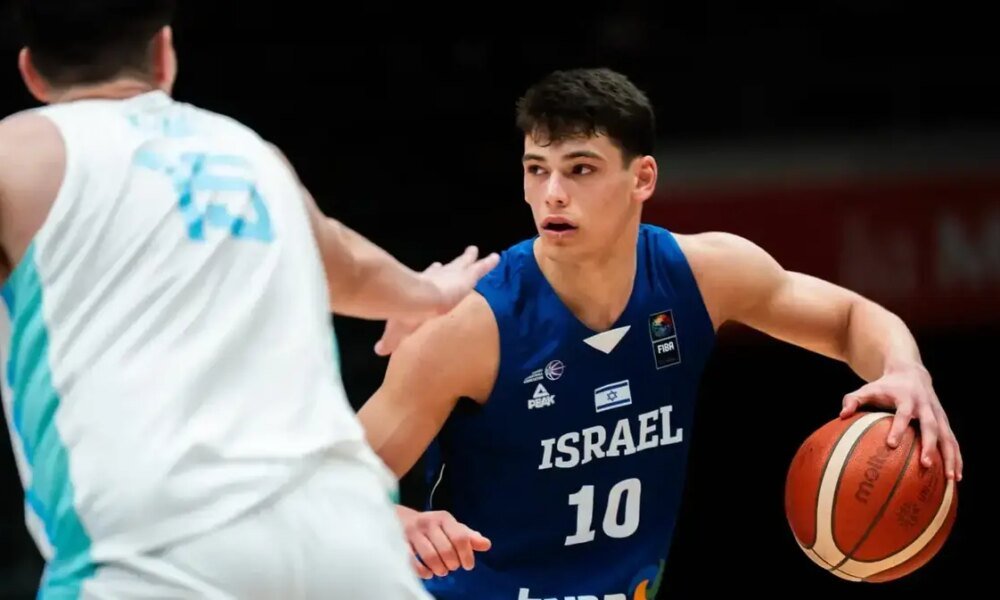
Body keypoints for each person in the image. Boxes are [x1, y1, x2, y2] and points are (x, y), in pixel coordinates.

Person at [357, 67, 964, 599]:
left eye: (580, 169)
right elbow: (326, 480)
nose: (553, 194)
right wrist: (397, 521)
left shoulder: (700, 275)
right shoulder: (471, 328)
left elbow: (851, 318)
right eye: (536, 170)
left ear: (642, 178)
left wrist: (905, 370)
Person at [0, 1, 499, 598]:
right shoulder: (252, 153)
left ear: (30, 73)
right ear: (164, 55)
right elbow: (345, 261)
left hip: (154, 548)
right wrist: (428, 294)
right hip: (345, 533)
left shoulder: (16, 153)